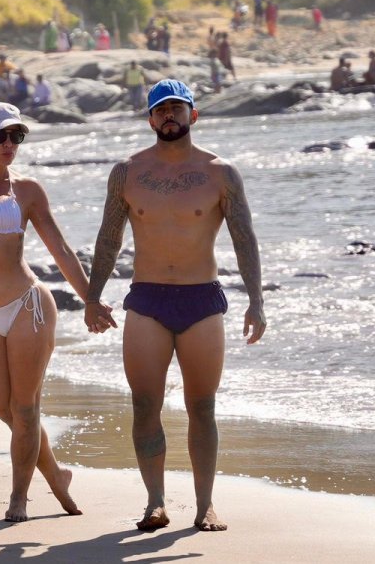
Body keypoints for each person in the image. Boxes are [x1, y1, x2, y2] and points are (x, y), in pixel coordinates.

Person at [84, 79, 266, 533]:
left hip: (201, 298)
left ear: (193, 115)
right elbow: (109, 238)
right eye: (160, 109)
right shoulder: (126, 172)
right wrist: (92, 297)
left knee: (202, 406)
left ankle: (205, 505)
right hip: (146, 300)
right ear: (149, 119)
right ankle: (155, 502)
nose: (169, 115)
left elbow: (244, 239)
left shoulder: (220, 173)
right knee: (144, 404)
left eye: (177, 108)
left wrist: (256, 301)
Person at [0, 0, 85, 523]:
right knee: (2, 409)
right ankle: (55, 474)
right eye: (1, 136)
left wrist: (90, 300)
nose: (10, 143)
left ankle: (19, 498)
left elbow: (60, 248)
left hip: (28, 306)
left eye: (17, 136)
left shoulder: (27, 190)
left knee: (25, 409)